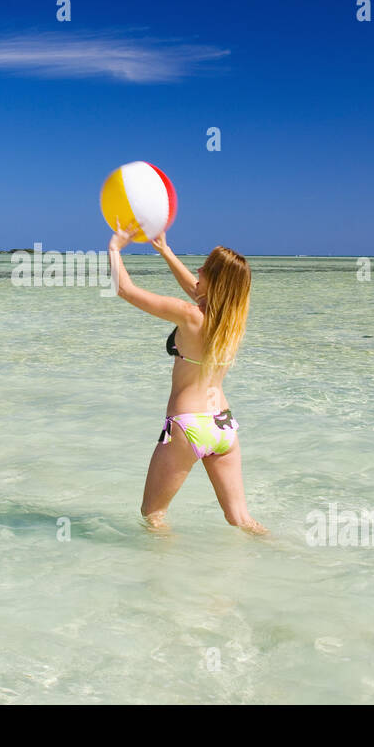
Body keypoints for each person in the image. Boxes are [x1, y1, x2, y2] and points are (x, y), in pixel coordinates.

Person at [107, 228, 266, 533]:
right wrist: (165, 251)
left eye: (205, 268)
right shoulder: (234, 321)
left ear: (216, 280)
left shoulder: (190, 316)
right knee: (241, 520)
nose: (198, 270)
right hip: (222, 425)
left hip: (187, 427)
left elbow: (124, 289)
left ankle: (166, 576)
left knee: (152, 514)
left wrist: (115, 248)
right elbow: (198, 290)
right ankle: (284, 554)